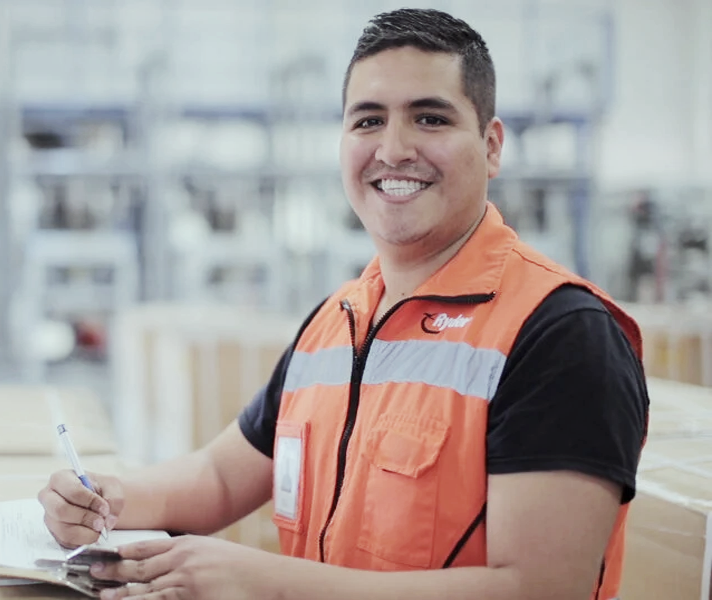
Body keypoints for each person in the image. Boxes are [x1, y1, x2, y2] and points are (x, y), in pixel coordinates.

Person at [39, 8, 649, 600]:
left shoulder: (558, 333)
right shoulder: (336, 323)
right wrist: (107, 499)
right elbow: (221, 476)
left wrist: (264, 584)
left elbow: (538, 589)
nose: (393, 149)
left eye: (430, 119)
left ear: (491, 146)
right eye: (367, 121)